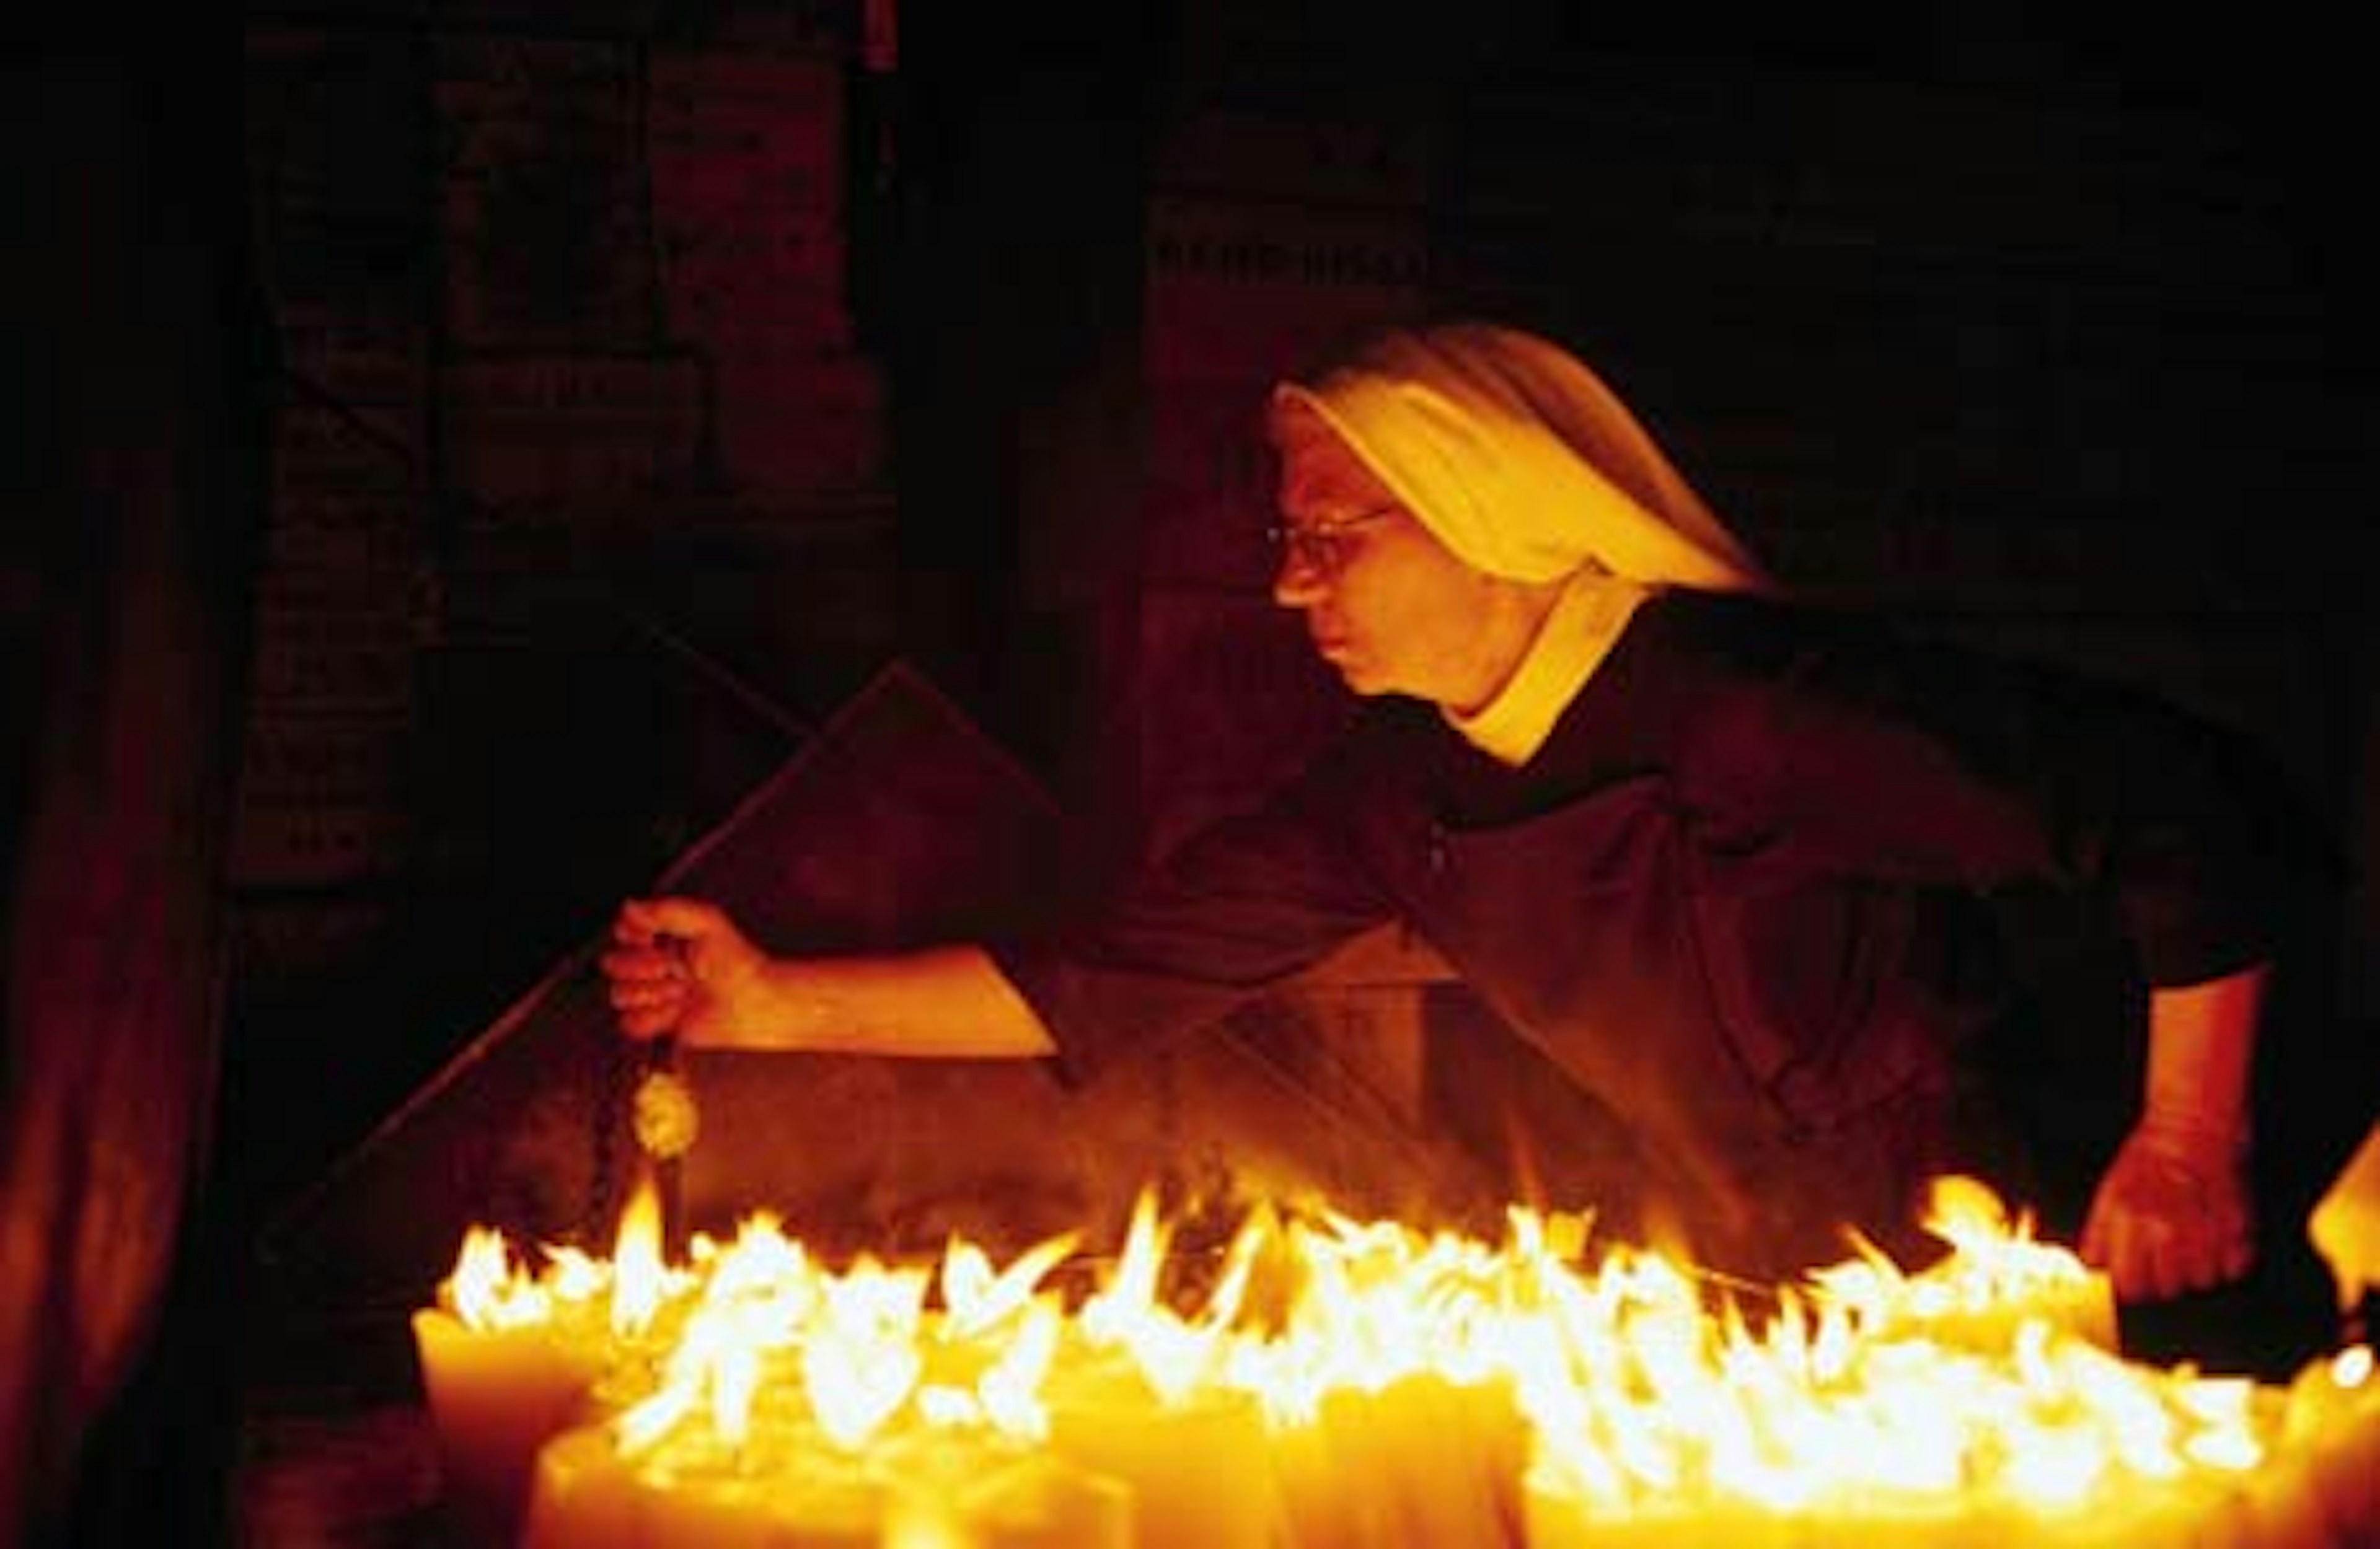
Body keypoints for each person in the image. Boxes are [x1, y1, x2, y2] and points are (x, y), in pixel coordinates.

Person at [602, 320, 2355, 1374]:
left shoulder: (1748, 707)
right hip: (1796, 1330)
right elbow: (1108, 973)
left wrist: (2187, 1136)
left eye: (1329, 535)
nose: (1293, 584)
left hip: (2079, 1310)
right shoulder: (1403, 786)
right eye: (1284, 538)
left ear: (1491, 518)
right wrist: (762, 1002)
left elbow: (2195, 806)